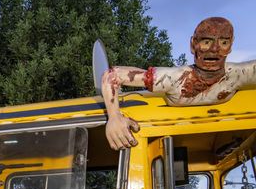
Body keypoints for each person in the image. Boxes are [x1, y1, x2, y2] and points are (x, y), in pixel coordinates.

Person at [102, 16, 256, 151]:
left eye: (223, 42)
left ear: (231, 45)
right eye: (206, 41)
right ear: (192, 44)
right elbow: (113, 75)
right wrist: (114, 117)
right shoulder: (174, 79)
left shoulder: (238, 75)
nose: (214, 49)